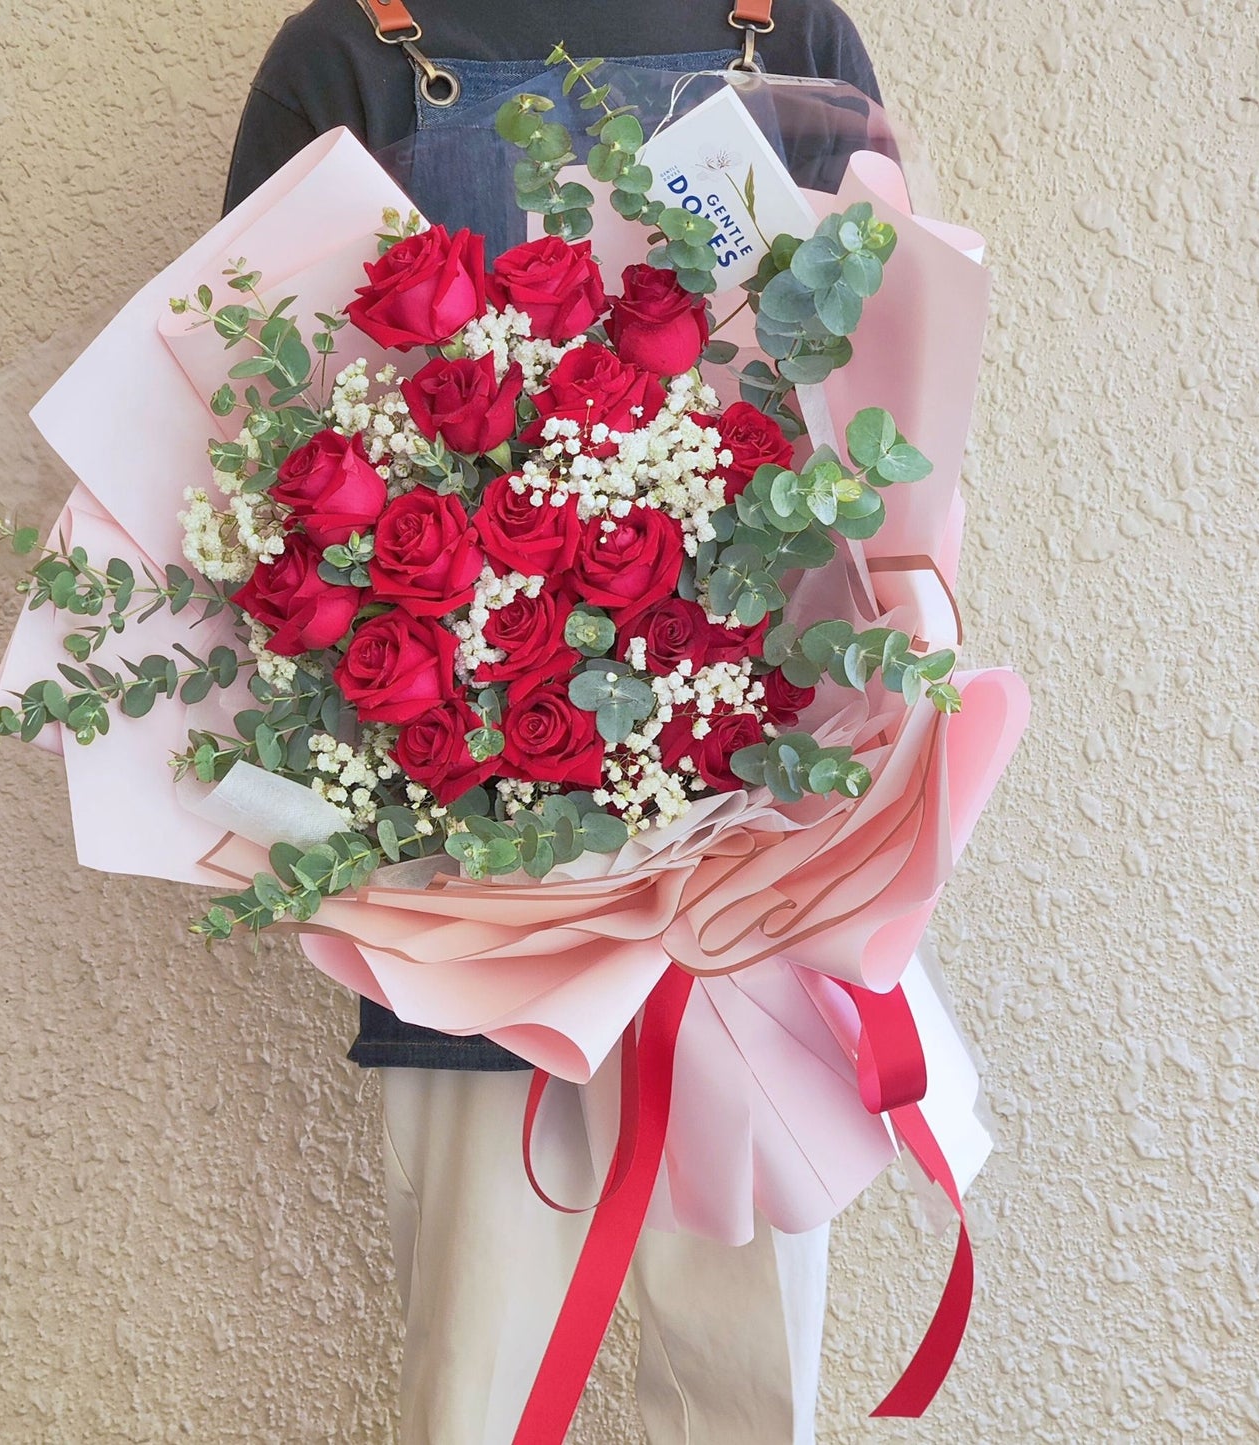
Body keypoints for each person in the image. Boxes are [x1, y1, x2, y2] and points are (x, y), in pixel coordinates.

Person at [223, 5, 885, 1441]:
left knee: (749, 1390)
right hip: (460, 882)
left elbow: (872, 436)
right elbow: (253, 450)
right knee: (475, 1388)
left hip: (749, 869)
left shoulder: (798, 36)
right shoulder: (346, 54)